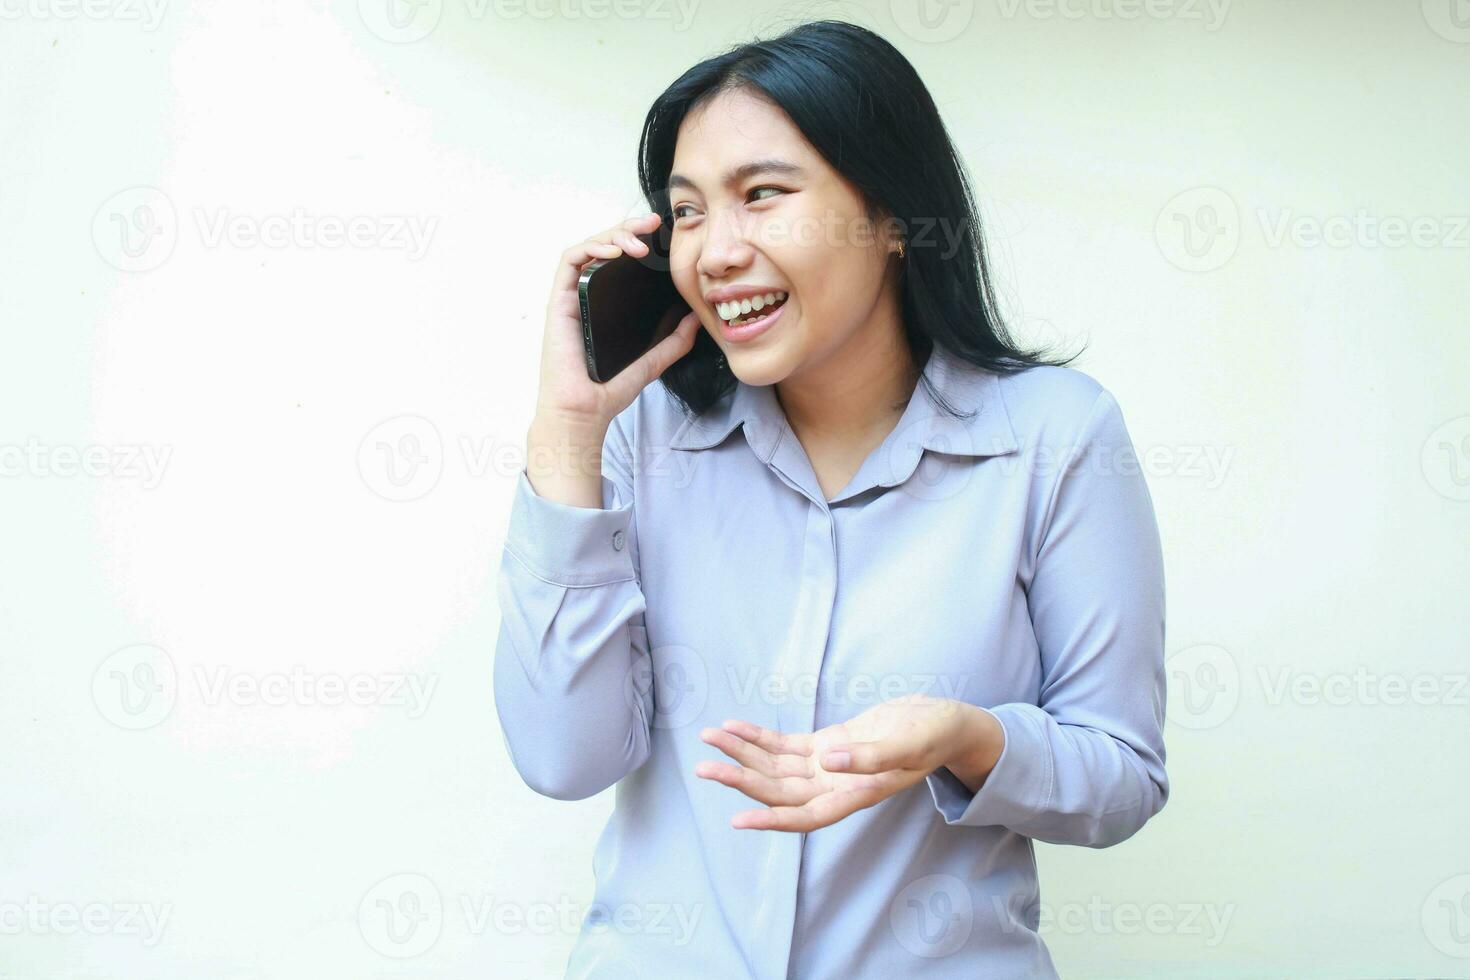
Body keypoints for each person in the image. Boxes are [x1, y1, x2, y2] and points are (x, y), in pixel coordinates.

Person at [494, 19, 1168, 979]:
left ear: (893, 216)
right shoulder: (646, 436)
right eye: (687, 212)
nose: (715, 251)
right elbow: (565, 759)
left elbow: (1123, 781)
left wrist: (969, 738)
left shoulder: (1056, 438)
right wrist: (567, 433)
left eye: (762, 195)